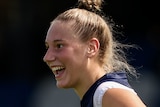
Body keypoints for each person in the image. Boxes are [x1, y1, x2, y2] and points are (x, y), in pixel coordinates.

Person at [43, 0, 146, 107]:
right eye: (47, 47)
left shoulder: (107, 93)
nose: (47, 57)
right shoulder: (98, 96)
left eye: (59, 46)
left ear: (91, 48)